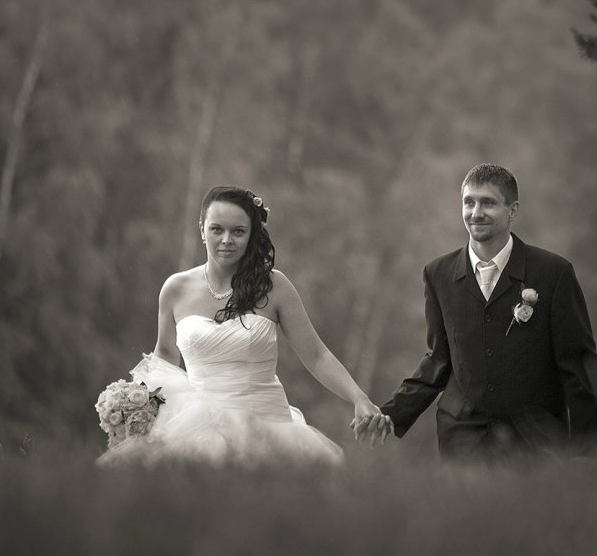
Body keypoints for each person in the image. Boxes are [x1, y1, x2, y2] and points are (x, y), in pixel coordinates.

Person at [99, 185, 392, 466]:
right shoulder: (175, 289)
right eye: (217, 229)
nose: (226, 239)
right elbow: (164, 357)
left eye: (238, 231)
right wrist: (136, 405)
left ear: (251, 235)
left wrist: (359, 398)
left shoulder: (274, 286)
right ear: (202, 229)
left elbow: (317, 355)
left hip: (268, 428)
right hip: (197, 429)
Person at [381, 164, 597, 458]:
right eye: (469, 202)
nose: (476, 212)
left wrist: (584, 452)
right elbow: (438, 360)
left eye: (488, 203)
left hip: (536, 442)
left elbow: (579, 367)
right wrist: (390, 414)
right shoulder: (437, 274)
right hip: (461, 440)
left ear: (512, 210)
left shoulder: (554, 273)